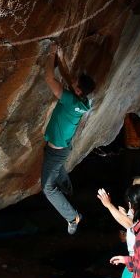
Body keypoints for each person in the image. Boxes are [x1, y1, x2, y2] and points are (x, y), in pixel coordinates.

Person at [41, 41, 95, 234]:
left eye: (75, 84)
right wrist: (61, 57)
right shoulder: (83, 101)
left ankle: (72, 217)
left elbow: (49, 77)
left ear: (78, 91)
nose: (72, 82)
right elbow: (70, 79)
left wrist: (51, 54)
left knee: (48, 188)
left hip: (57, 151)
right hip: (61, 148)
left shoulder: (71, 101)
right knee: (56, 165)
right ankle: (66, 184)